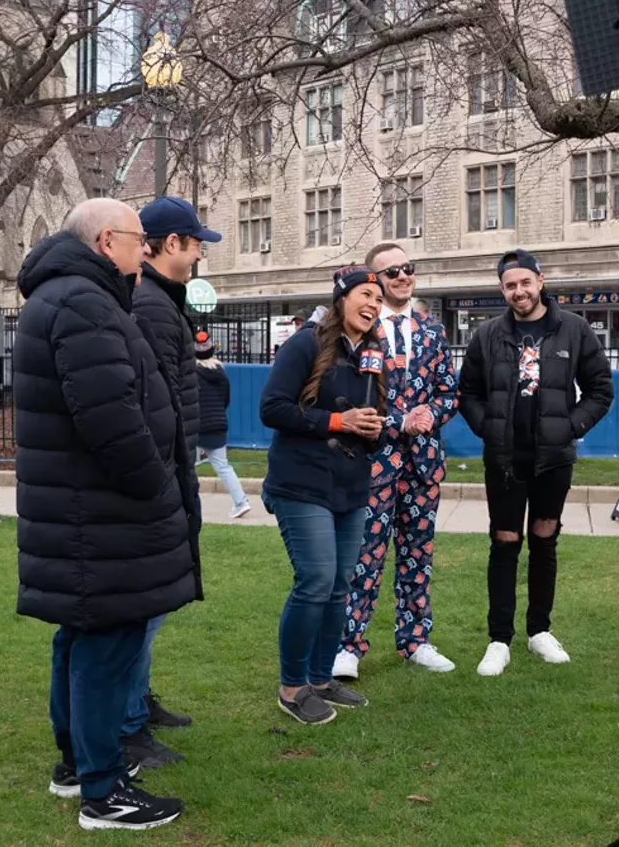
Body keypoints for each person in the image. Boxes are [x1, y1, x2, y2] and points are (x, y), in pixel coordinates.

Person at [14, 198, 196, 830]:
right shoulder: (83, 302)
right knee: (104, 646)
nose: (143, 254)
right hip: (102, 516)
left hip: (86, 513)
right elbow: (111, 418)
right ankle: (103, 789)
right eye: (138, 242)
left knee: (82, 640)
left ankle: (78, 768)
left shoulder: (69, 296)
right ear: (107, 240)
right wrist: (158, 485)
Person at [457, 249, 614, 677]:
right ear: (502, 289)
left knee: (544, 540)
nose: (519, 291)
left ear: (541, 281)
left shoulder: (575, 330)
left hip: (553, 460)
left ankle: (539, 631)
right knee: (505, 543)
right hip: (504, 459)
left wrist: (571, 426)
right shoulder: (487, 334)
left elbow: (600, 390)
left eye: (526, 282)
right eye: (510, 285)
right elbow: (467, 393)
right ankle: (498, 639)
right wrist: (486, 428)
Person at [118, 196, 221, 768]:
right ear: (168, 244)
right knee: (143, 607)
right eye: (194, 238)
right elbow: (150, 403)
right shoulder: (153, 307)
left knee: (149, 606)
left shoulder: (161, 302)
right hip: (161, 476)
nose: (201, 248)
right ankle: (129, 720)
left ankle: (137, 701)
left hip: (171, 468)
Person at [260, 266, 387, 724]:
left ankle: (319, 678)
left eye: (379, 298)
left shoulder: (370, 355)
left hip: (349, 487)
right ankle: (292, 688)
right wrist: (338, 422)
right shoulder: (306, 343)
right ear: (341, 299)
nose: (373, 303)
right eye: (365, 294)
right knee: (314, 582)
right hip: (301, 484)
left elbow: (367, 419)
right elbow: (271, 408)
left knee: (339, 588)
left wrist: (375, 428)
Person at [333, 243, 458, 679]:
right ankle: (348, 645)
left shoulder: (432, 331)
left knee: (417, 556)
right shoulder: (360, 333)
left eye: (408, 268)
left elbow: (448, 392)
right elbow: (348, 401)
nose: (402, 276)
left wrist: (429, 416)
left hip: (423, 465)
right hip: (372, 463)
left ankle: (415, 640)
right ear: (375, 281)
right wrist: (398, 422)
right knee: (364, 555)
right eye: (390, 272)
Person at [194, 331, 252, 519]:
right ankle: (241, 502)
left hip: (196, 425)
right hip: (218, 424)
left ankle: (187, 504)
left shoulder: (191, 373)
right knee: (223, 466)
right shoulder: (221, 372)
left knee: (185, 466)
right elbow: (225, 400)